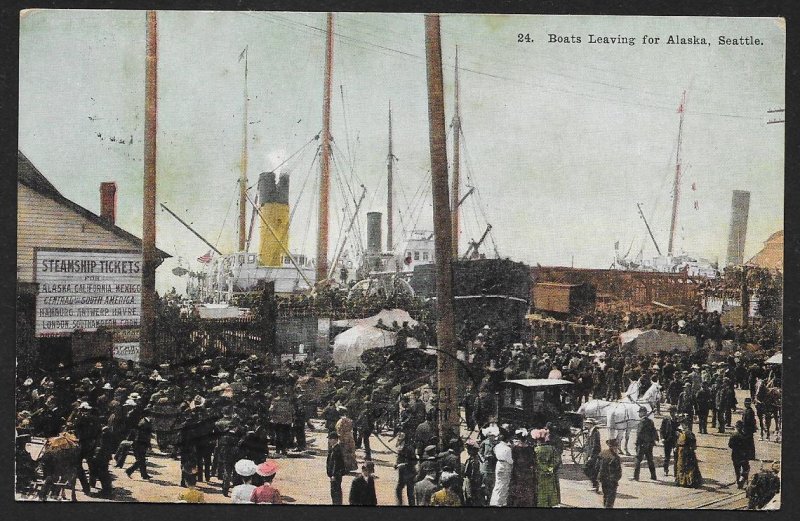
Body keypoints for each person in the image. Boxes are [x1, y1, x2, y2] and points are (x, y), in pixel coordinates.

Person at [509, 428, 536, 507]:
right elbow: (532, 460)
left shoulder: (515, 448)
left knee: (518, 487)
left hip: (517, 470)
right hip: (527, 471)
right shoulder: (530, 448)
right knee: (527, 487)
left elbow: (513, 459)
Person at [125, 407, 152, 480]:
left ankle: (144, 475)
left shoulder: (146, 422)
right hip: (140, 443)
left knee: (142, 460)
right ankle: (129, 471)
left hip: (143, 443)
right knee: (141, 460)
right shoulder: (143, 423)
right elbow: (140, 434)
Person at [534, 434, 561, 507]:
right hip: (550, 472)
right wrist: (551, 468)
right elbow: (557, 460)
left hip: (540, 473)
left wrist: (542, 468)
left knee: (541, 491)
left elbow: (535, 462)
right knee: (550, 489)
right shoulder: (551, 448)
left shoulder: (536, 450)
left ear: (538, 440)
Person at [632, 406, 658, 481]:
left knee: (638, 460)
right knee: (650, 460)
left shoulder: (641, 422)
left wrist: (637, 444)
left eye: (640, 412)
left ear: (643, 412)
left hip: (642, 444)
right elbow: (654, 432)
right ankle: (653, 476)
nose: (639, 414)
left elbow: (639, 434)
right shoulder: (650, 421)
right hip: (649, 444)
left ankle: (635, 477)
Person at [674, 419, 702, 488]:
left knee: (687, 467)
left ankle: (688, 482)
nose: (682, 426)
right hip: (681, 452)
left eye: (683, 425)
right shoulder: (681, 433)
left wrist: (690, 450)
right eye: (682, 424)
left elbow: (693, 445)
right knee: (681, 466)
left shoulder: (689, 433)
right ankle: (681, 481)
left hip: (687, 452)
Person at [489, 428, 513, 506]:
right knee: (504, 485)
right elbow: (510, 460)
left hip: (499, 464)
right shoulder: (508, 449)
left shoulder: (497, 446)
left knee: (498, 484)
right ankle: (501, 503)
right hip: (506, 466)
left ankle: (494, 502)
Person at [597, 438, 623, 508]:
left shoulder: (602, 453)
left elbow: (597, 466)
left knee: (605, 496)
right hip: (612, 481)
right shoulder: (616, 457)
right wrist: (616, 480)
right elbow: (619, 471)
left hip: (603, 479)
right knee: (610, 500)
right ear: (615, 447)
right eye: (616, 446)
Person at [394, 432, 417, 506]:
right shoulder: (400, 447)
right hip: (402, 474)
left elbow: (414, 461)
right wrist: (396, 464)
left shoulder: (410, 448)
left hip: (410, 473)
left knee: (410, 493)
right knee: (398, 490)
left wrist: (403, 465)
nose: (398, 440)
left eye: (400, 439)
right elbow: (399, 458)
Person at [728, 421, 750, 489]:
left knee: (737, 470)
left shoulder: (733, 435)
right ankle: (742, 479)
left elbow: (730, 445)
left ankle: (738, 482)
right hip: (743, 455)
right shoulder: (745, 435)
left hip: (735, 455)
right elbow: (748, 446)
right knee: (746, 468)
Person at [462, 440, 485, 506]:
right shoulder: (471, 458)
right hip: (471, 479)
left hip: (473, 480)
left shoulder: (474, 459)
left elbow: (470, 472)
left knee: (470, 496)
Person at [326, 431, 346, 505]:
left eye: (330, 439)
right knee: (334, 491)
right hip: (334, 475)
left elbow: (336, 463)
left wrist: (333, 475)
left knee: (335, 491)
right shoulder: (333, 448)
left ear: (335, 440)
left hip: (336, 475)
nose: (329, 441)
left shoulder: (337, 449)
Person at [660, 406, 679, 476]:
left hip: (675, 441)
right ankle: (665, 470)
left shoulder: (678, 420)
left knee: (676, 457)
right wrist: (662, 438)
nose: (672, 413)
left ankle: (676, 471)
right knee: (667, 457)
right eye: (671, 412)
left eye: (673, 412)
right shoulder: (665, 419)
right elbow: (661, 430)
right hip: (667, 441)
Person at [583, 418, 601, 491]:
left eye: (588, 423)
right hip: (592, 453)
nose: (586, 424)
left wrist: (591, 455)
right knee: (592, 469)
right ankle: (595, 485)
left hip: (594, 454)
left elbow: (595, 445)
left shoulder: (595, 432)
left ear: (591, 424)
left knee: (586, 468)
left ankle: (595, 483)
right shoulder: (591, 431)